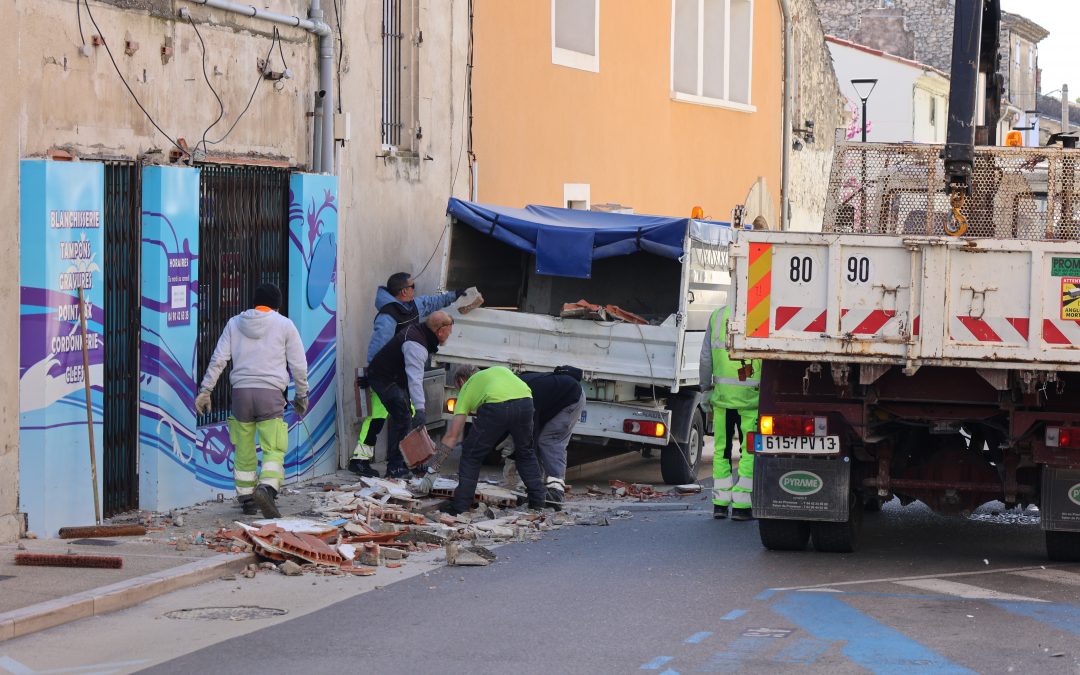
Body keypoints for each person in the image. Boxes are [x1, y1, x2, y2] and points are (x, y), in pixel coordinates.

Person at [195, 283, 308, 519]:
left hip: (241, 394)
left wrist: (206, 390)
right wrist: (301, 394)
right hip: (271, 394)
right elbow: (298, 364)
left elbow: (219, 359)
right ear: (277, 304)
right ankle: (267, 489)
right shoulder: (284, 324)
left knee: (244, 446)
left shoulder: (234, 323)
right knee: (273, 447)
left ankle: (247, 498)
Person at [350, 273, 463, 478]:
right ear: (404, 291)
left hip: (398, 374)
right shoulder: (388, 315)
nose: (415, 290)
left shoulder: (411, 307)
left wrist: (456, 295)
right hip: (384, 374)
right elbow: (378, 345)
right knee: (378, 417)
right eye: (413, 286)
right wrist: (370, 372)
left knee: (408, 416)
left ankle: (410, 460)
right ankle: (360, 459)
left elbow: (432, 302)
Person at [438, 365, 548, 515]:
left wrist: (433, 467)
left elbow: (453, 435)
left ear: (461, 381)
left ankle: (460, 507)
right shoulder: (499, 370)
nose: (459, 392)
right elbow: (510, 400)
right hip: (526, 401)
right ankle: (538, 502)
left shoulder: (467, 386)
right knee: (525, 452)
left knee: (471, 454)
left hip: (496, 406)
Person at [366, 311, 455, 479]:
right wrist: (420, 409)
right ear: (440, 330)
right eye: (450, 329)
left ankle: (411, 463)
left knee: (406, 415)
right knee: (403, 418)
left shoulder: (421, 334)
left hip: (393, 378)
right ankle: (394, 468)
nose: (450, 334)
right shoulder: (416, 345)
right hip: (384, 378)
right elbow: (415, 379)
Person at [700, 303, 761, 521]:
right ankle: (742, 507)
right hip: (751, 400)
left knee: (722, 451)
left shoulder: (717, 315)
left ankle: (719, 503)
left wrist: (705, 388)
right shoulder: (760, 311)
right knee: (748, 452)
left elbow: (706, 357)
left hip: (723, 398)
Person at [518, 366, 586, 508]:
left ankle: (556, 493)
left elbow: (531, 429)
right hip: (559, 399)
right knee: (533, 444)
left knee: (549, 442)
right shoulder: (518, 388)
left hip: (571, 399)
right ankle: (536, 489)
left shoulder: (523, 395)